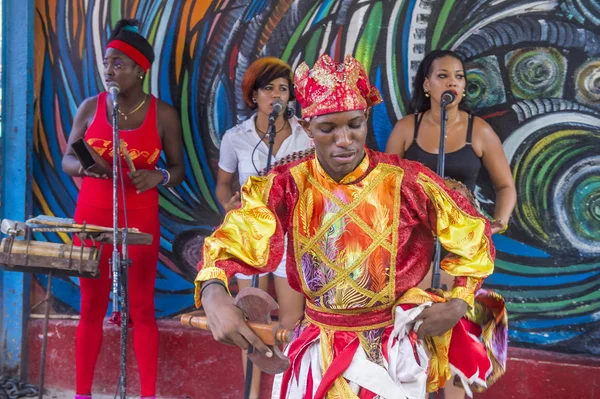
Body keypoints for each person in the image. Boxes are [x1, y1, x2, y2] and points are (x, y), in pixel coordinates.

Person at [195, 53, 505, 398]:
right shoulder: (285, 185)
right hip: (317, 352)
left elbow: (472, 236)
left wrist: (459, 301)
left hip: (390, 353)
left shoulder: (410, 183)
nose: (344, 139)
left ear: (366, 118)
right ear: (306, 127)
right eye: (328, 128)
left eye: (354, 125)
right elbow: (232, 240)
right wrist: (213, 293)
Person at [61, 19, 184, 399]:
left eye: (118, 64)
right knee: (91, 306)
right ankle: (83, 393)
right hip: (92, 215)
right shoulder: (90, 107)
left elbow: (178, 169)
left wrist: (158, 178)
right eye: (107, 63)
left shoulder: (163, 115)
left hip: (141, 215)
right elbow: (67, 158)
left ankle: (147, 394)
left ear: (139, 70)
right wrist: (85, 166)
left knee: (143, 308)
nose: (109, 71)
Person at [386, 49, 515, 398]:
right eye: (443, 76)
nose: (452, 82)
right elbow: (384, 187)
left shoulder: (479, 131)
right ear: (427, 84)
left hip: (461, 249)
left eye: (458, 76)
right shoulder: (406, 129)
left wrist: (497, 222)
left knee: (456, 337)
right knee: (415, 334)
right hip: (415, 247)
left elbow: (505, 187)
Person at [215, 56, 309, 398]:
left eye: (283, 88)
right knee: (250, 322)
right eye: (268, 88)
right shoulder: (235, 138)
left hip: (291, 240)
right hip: (251, 240)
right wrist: (229, 210)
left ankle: (286, 391)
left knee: (289, 325)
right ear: (254, 95)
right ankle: (252, 395)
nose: (276, 95)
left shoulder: (306, 136)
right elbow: (223, 185)